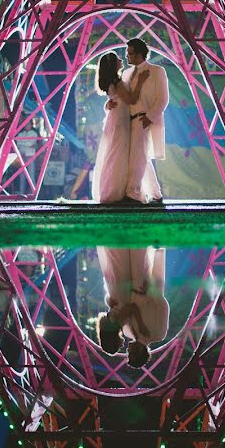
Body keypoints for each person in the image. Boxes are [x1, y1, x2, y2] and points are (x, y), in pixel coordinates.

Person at [107, 38, 168, 206]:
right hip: (128, 122)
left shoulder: (157, 71)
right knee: (140, 157)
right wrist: (108, 104)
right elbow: (123, 97)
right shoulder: (126, 74)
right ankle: (155, 194)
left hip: (144, 119)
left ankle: (133, 193)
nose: (126, 56)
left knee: (137, 157)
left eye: (130, 53)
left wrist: (149, 117)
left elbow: (163, 98)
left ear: (140, 54)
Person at [91, 52, 151, 204]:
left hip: (117, 119)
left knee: (116, 153)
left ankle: (115, 190)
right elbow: (131, 99)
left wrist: (107, 104)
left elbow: (113, 100)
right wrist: (141, 82)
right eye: (117, 59)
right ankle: (116, 191)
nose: (121, 59)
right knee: (120, 154)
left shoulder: (113, 82)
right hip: (120, 121)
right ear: (113, 64)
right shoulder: (117, 83)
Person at [95, 246, 169, 369]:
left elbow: (126, 306)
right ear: (140, 352)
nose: (126, 349)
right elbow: (163, 306)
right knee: (139, 251)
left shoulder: (127, 330)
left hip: (131, 286)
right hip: (141, 285)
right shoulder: (158, 334)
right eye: (130, 353)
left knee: (121, 255)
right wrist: (151, 291)